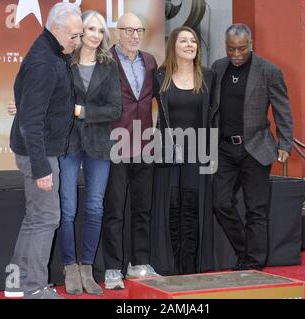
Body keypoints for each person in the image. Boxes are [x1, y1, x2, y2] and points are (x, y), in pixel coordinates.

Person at [6, 3, 83, 299]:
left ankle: (16, 281)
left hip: (41, 149)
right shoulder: (43, 61)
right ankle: (34, 288)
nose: (77, 42)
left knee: (35, 216)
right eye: (74, 36)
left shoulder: (52, 53)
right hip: (38, 153)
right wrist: (41, 167)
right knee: (46, 218)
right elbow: (30, 120)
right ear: (58, 28)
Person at [211, 24, 294, 271]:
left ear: (251, 43)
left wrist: (285, 142)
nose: (236, 54)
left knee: (256, 210)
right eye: (231, 49)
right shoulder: (218, 68)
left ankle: (254, 265)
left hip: (256, 147)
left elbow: (282, 109)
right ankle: (245, 251)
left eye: (241, 49)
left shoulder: (269, 70)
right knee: (220, 203)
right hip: (225, 149)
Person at [56, 10, 122, 296]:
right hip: (68, 143)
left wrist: (83, 112)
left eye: (99, 30)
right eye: (89, 29)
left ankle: (87, 269)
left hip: (99, 145)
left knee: (95, 207)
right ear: (79, 32)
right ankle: (70, 268)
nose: (95, 35)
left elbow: (115, 109)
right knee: (67, 209)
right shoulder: (63, 61)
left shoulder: (109, 65)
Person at [150, 26, 215, 275]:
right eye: (184, 41)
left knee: (191, 210)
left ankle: (189, 270)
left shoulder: (209, 76)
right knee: (173, 209)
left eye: (193, 41)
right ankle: (173, 269)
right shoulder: (160, 77)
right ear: (173, 46)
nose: (190, 45)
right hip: (168, 152)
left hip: (198, 153)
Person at [102, 13, 159, 290]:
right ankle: (113, 268)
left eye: (139, 30)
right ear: (117, 32)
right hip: (116, 146)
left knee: (142, 209)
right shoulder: (106, 61)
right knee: (114, 210)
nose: (135, 35)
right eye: (129, 30)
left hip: (145, 145)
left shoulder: (150, 62)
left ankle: (139, 263)